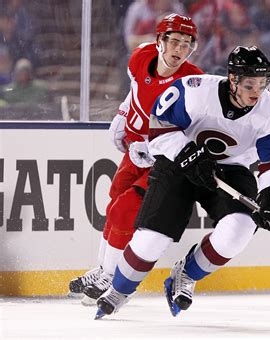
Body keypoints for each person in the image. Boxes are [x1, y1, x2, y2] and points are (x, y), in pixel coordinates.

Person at [95, 45, 270, 317]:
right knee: (152, 239)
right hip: (177, 163)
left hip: (230, 169)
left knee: (240, 229)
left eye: (262, 83)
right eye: (249, 84)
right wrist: (185, 152)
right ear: (233, 79)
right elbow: (158, 124)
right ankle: (120, 289)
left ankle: (185, 274)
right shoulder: (196, 91)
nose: (257, 92)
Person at [68, 13, 204, 303]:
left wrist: (155, 148)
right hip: (134, 150)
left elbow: (192, 131)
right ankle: (104, 270)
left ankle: (113, 279)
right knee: (115, 202)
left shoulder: (194, 82)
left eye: (186, 44)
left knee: (125, 210)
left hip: (162, 160)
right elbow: (136, 93)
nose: (180, 50)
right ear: (159, 41)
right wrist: (122, 115)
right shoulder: (140, 57)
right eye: (175, 42)